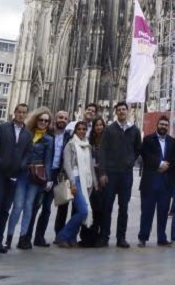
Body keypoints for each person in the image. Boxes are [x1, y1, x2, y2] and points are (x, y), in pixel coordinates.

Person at [0, 103, 32, 255]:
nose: (21, 115)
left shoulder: (27, 134)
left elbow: (28, 154)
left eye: (24, 113)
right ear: (14, 113)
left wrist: (21, 166)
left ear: (26, 115)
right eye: (19, 112)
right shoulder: (3, 128)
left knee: (5, 209)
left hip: (14, 174)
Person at [6, 108, 54, 250]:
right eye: (41, 120)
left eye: (46, 121)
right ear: (35, 120)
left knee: (28, 207)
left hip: (36, 177)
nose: (43, 123)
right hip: (22, 174)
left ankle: (23, 238)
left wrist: (48, 179)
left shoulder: (49, 139)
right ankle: (8, 238)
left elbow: (48, 161)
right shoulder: (27, 133)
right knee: (18, 207)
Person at [98, 100, 141, 248]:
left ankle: (121, 238)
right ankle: (104, 237)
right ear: (116, 112)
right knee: (107, 207)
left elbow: (137, 149)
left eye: (124, 109)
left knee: (124, 207)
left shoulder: (134, 130)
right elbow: (102, 151)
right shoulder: (109, 129)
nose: (122, 112)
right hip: (110, 173)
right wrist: (102, 172)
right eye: (119, 110)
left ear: (128, 111)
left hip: (126, 174)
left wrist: (130, 161)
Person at [28, 108, 70, 246]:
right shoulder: (47, 133)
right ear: (55, 120)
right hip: (41, 172)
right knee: (35, 206)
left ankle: (39, 237)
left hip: (57, 174)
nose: (62, 120)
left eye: (65, 118)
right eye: (60, 117)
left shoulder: (68, 136)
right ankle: (26, 236)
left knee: (47, 208)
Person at [55, 120, 98, 247]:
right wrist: (73, 182)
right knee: (83, 211)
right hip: (75, 179)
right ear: (75, 130)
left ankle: (71, 237)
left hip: (87, 181)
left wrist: (95, 182)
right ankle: (63, 235)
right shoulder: (71, 144)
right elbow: (67, 164)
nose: (81, 131)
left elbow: (90, 165)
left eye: (84, 129)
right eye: (79, 129)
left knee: (79, 210)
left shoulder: (87, 145)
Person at [138, 114, 175, 247]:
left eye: (166, 125)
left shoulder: (172, 141)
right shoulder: (148, 139)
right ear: (157, 125)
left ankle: (162, 238)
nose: (163, 127)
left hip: (165, 183)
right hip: (150, 182)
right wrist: (159, 164)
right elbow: (145, 155)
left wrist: (167, 166)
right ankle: (143, 237)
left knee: (163, 212)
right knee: (146, 212)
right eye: (162, 124)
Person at [79, 115, 106, 247]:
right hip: (89, 178)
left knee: (100, 209)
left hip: (102, 178)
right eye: (96, 125)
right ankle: (85, 237)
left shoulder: (107, 141)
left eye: (101, 125)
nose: (99, 127)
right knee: (88, 207)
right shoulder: (88, 141)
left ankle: (96, 236)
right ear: (93, 128)